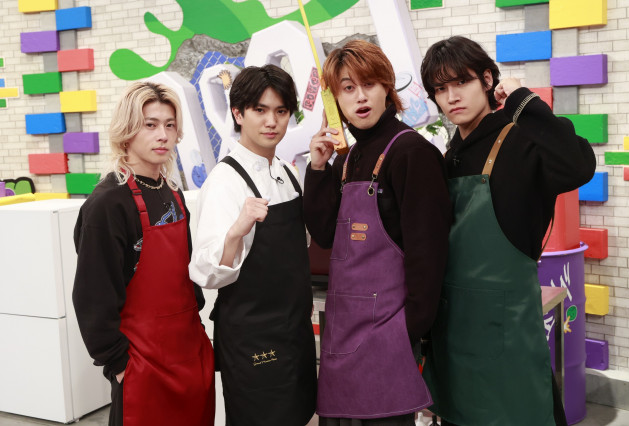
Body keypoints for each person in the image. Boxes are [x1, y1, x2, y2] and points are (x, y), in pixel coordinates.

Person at [419, 36, 596, 426]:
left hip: (507, 336)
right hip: (452, 334)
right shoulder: (449, 156)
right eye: (440, 89)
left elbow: (578, 165)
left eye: (461, 82)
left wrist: (522, 100)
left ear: (487, 80)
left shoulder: (520, 142)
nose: (451, 97)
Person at [304, 40, 452, 425]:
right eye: (347, 88)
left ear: (387, 87)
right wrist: (317, 170)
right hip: (343, 329)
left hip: (388, 333)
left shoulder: (411, 153)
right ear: (335, 100)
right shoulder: (349, 157)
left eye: (368, 84)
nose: (360, 97)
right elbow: (324, 234)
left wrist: (406, 332)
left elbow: (429, 255)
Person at [72, 82, 215, 425]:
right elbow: (93, 297)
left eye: (169, 125)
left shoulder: (174, 194)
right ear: (127, 131)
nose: (162, 135)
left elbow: (186, 276)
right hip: (142, 365)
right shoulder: (108, 204)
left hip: (189, 354)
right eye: (150, 125)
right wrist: (119, 364)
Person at [189, 64, 317, 426]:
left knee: (299, 414)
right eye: (260, 110)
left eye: (281, 111)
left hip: (294, 331)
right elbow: (206, 272)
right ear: (238, 113)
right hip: (253, 337)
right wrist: (236, 231)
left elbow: (300, 245)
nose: (271, 121)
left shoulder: (288, 173)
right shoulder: (225, 181)